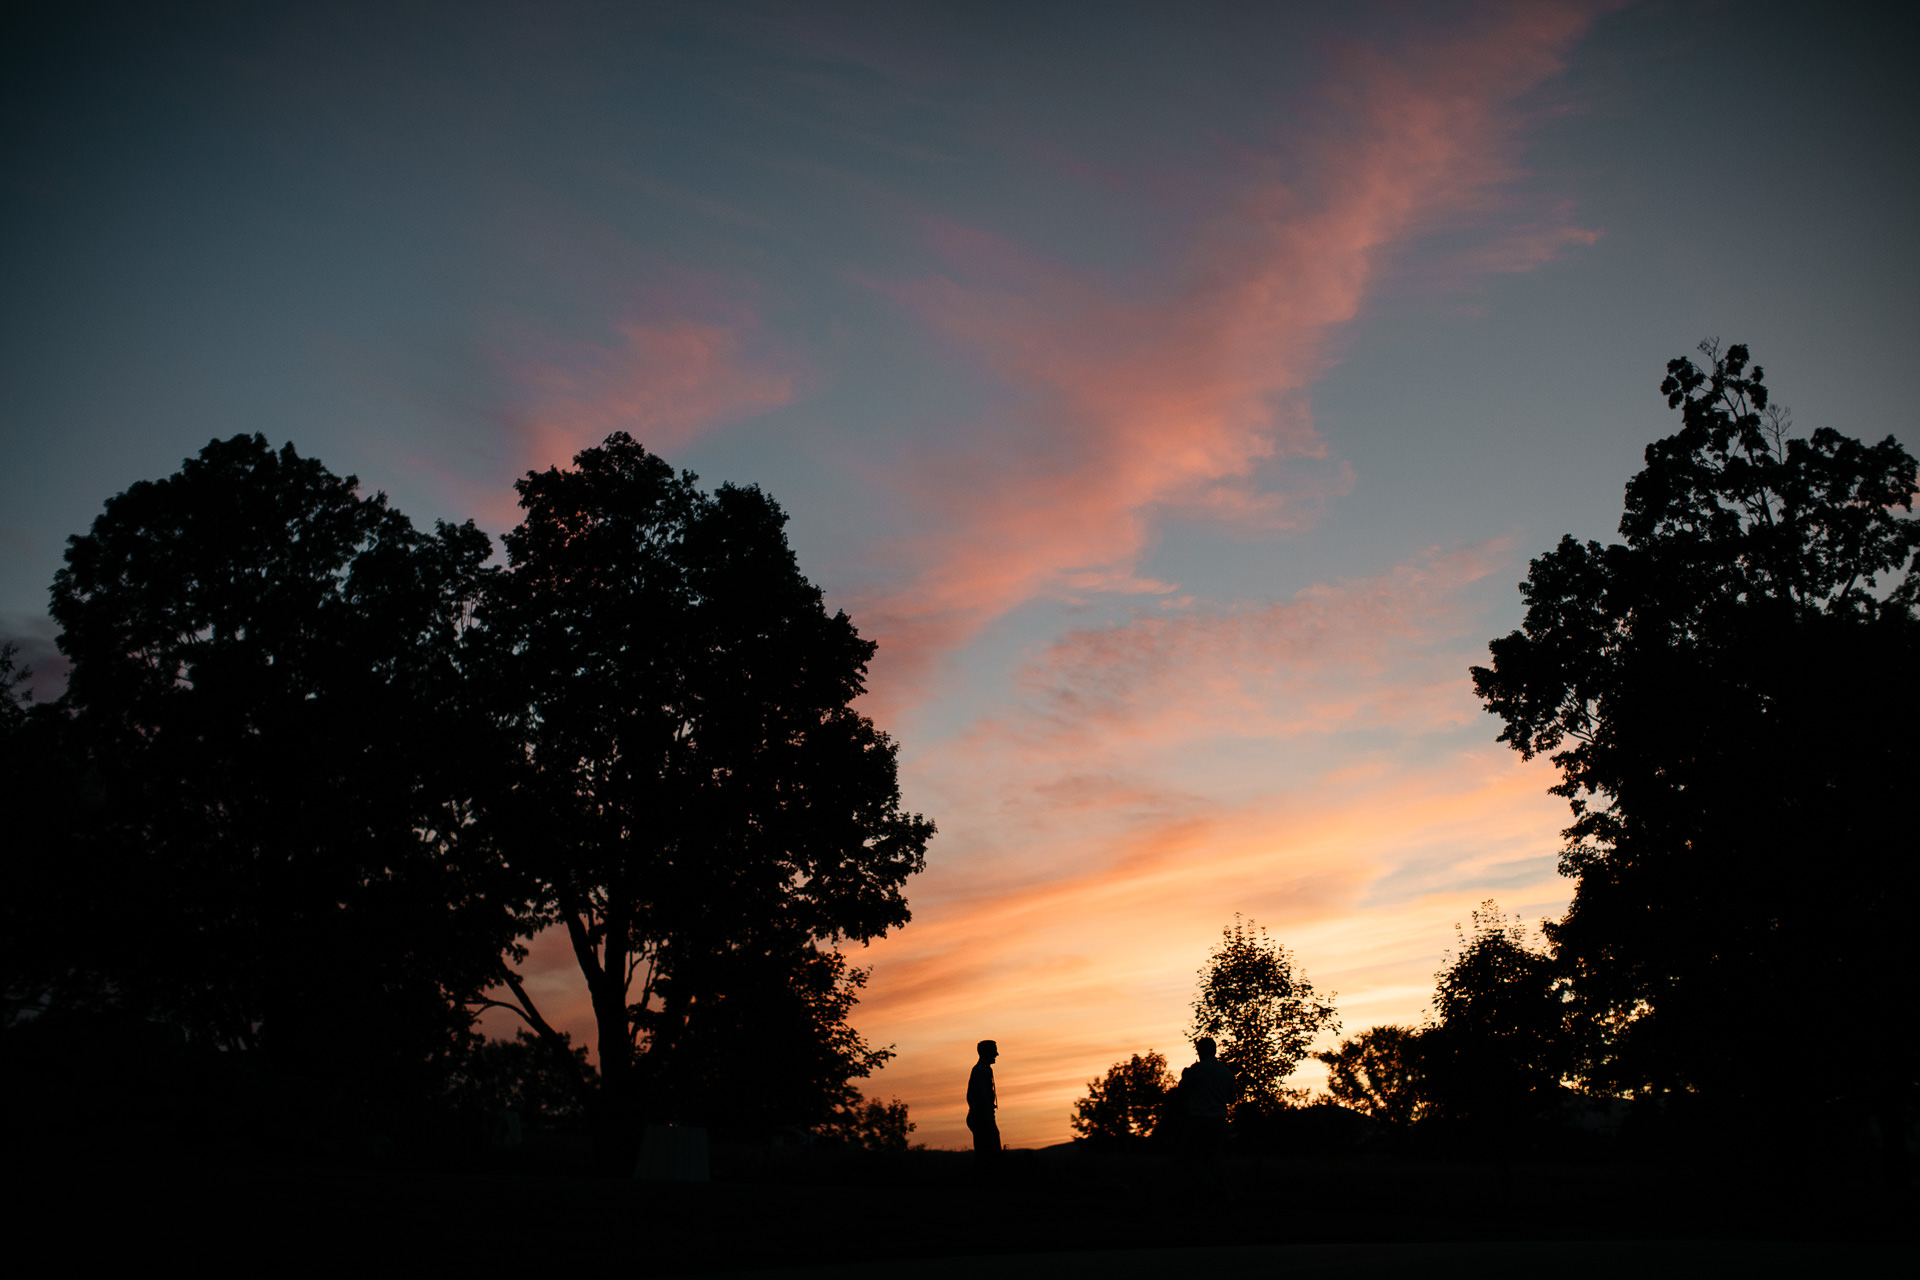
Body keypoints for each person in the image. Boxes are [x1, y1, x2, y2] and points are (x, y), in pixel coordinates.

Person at [1180, 1036, 1236, 1158]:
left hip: (1198, 1122)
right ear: (1214, 1051)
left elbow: (1182, 1092)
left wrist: (1184, 1076)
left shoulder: (1196, 1070)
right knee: (1215, 1158)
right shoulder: (1226, 1072)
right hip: (1219, 1122)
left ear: (1200, 1051)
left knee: (1188, 1158)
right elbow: (1232, 1099)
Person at [967, 1039, 1001, 1168]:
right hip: (982, 1118)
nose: (997, 1054)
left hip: (981, 1117)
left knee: (985, 1154)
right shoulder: (982, 1070)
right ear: (986, 1052)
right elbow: (981, 1097)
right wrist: (986, 1116)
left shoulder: (982, 1069)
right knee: (989, 1156)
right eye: (994, 1051)